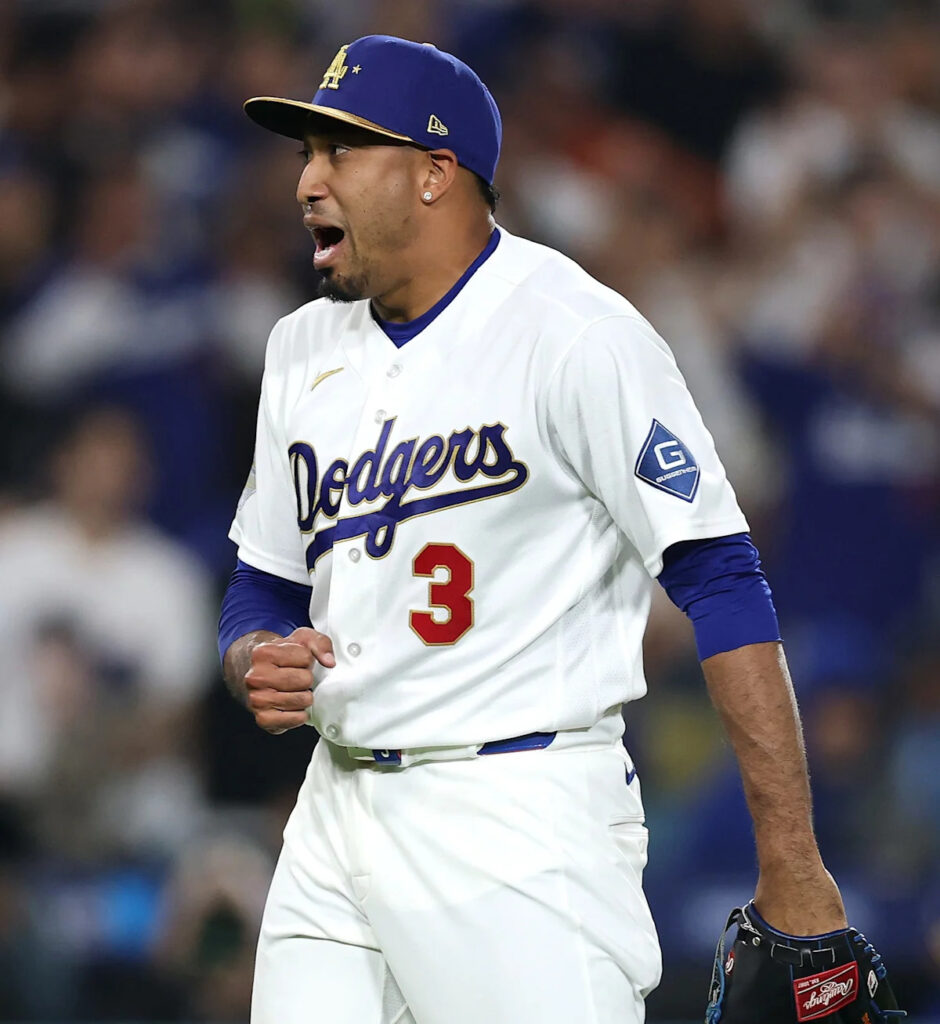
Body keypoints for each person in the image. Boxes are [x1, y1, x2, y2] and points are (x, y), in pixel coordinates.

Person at [219, 34, 847, 1024]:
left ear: (434, 174)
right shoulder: (299, 349)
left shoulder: (576, 334)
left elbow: (720, 578)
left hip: (514, 813)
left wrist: (794, 865)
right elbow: (262, 588)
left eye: (339, 151)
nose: (306, 181)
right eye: (305, 154)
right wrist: (252, 653)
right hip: (332, 815)